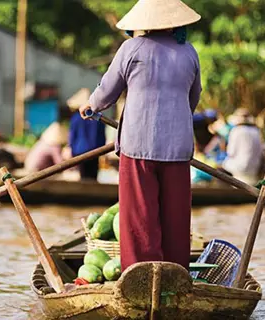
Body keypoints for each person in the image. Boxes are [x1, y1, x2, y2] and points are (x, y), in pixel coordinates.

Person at [79, 0, 202, 271]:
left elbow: (107, 91)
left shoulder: (131, 48)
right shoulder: (189, 52)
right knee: (176, 217)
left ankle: (141, 275)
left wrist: (90, 106)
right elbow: (192, 99)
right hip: (178, 148)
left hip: (138, 147)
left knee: (139, 217)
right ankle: (174, 274)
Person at [69, 88, 106, 180]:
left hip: (80, 152)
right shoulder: (99, 118)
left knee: (83, 178)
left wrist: (73, 152)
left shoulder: (76, 118)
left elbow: (72, 137)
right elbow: (102, 137)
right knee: (93, 178)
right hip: (95, 152)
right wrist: (102, 150)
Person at [221, 108, 264, 185]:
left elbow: (230, 152)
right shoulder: (256, 131)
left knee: (224, 163)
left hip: (240, 169)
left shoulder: (236, 131)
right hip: (254, 169)